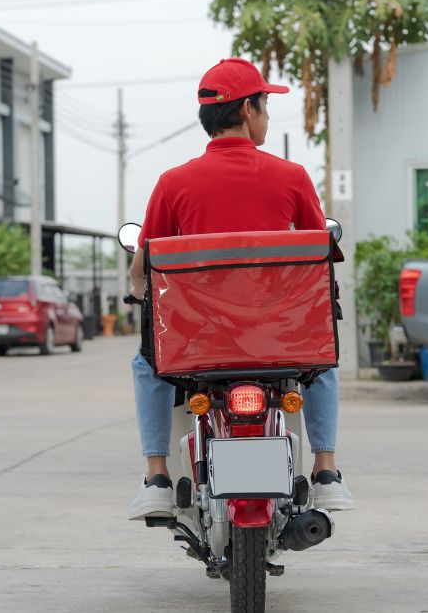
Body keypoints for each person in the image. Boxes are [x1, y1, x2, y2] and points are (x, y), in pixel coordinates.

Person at [127, 57, 355, 520]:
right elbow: (317, 261)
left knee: (146, 360)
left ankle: (156, 478)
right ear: (247, 110)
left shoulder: (173, 183)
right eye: (266, 105)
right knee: (322, 346)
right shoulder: (292, 177)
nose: (267, 115)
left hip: (198, 346)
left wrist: (140, 288)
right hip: (279, 341)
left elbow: (143, 265)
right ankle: (327, 471)